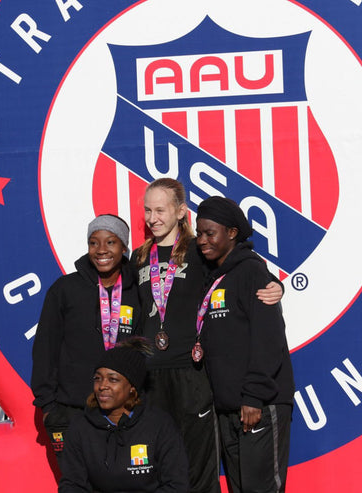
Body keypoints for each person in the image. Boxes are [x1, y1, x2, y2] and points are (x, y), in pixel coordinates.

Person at [131, 178, 283, 493]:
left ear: (180, 211)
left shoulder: (199, 251)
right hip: (152, 376)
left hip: (192, 372)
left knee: (200, 470)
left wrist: (273, 283)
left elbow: (240, 266)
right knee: (159, 466)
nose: (152, 217)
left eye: (160, 209)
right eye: (147, 210)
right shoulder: (138, 258)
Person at [195, 196, 295, 493]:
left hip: (258, 405)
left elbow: (269, 338)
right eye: (199, 233)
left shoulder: (252, 273)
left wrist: (253, 396)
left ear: (232, 232)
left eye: (210, 233)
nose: (202, 240)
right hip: (229, 409)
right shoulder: (215, 276)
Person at [31, 214, 142, 462]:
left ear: (124, 247)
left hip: (123, 411)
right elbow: (44, 349)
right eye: (94, 242)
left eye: (110, 242)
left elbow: (143, 351)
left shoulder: (137, 291)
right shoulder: (65, 289)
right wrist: (48, 406)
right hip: (73, 410)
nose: (101, 250)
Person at [59, 337, 189, 493]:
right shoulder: (80, 427)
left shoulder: (160, 425)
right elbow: (72, 485)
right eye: (97, 378)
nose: (102, 386)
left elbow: (177, 485)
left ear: (132, 387)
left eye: (113, 379)